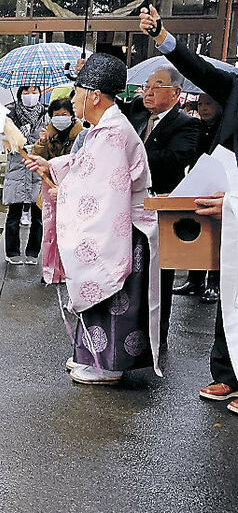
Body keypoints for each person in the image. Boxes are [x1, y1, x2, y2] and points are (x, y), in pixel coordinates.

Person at [24, 53, 161, 385]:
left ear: (95, 95)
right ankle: (92, 358)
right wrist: (51, 167)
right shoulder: (108, 128)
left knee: (112, 297)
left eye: (78, 91)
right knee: (103, 298)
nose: (74, 99)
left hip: (121, 229)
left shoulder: (112, 132)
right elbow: (86, 168)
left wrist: (64, 194)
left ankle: (108, 365)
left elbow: (103, 191)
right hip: (119, 225)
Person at [140, 4, 238, 410]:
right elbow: (200, 70)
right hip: (226, 196)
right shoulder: (234, 84)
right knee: (230, 283)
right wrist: (162, 36)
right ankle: (227, 374)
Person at [117, 66, 202, 350]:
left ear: (176, 93)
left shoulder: (186, 124)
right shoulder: (138, 114)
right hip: (127, 206)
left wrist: (134, 155)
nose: (148, 91)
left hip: (160, 209)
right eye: (147, 85)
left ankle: (157, 335)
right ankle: (127, 330)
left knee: (158, 274)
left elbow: (176, 157)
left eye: (157, 86)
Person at [174, 93, 222, 304]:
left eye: (208, 103)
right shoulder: (196, 126)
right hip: (197, 182)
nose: (203, 108)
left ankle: (214, 281)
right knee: (196, 230)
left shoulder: (225, 128)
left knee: (215, 234)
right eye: (200, 104)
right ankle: (195, 279)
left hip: (220, 186)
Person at [3, 85, 46, 265]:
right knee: (14, 213)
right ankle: (12, 252)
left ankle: (33, 252)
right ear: (20, 94)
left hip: (37, 169)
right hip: (17, 169)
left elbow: (51, 141)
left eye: (34, 91)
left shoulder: (46, 114)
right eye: (26, 92)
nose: (30, 95)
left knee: (39, 214)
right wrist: (16, 141)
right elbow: (4, 141)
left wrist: (39, 144)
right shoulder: (10, 114)